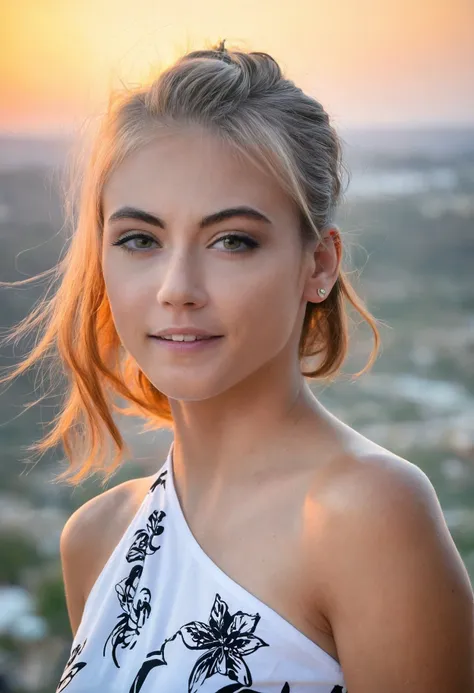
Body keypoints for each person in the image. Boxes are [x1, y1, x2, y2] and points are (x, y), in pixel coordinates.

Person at [2, 40, 473, 693]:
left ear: (319, 265)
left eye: (233, 240)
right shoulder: (95, 540)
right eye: (140, 238)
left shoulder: (367, 517)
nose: (177, 287)